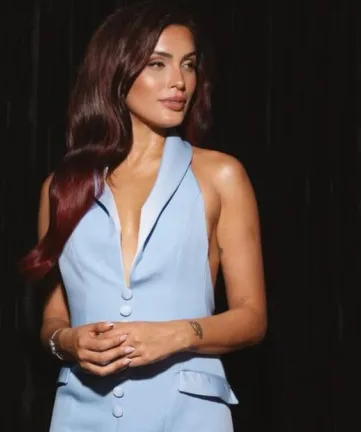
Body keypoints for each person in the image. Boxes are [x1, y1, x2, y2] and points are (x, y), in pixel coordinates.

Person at [18, 1, 267, 430]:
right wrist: (69, 342)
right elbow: (53, 320)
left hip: (188, 415)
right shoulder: (61, 188)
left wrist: (174, 335)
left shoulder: (220, 176)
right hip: (82, 414)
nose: (179, 82)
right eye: (158, 64)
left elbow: (252, 318)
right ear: (117, 72)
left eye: (188, 65)